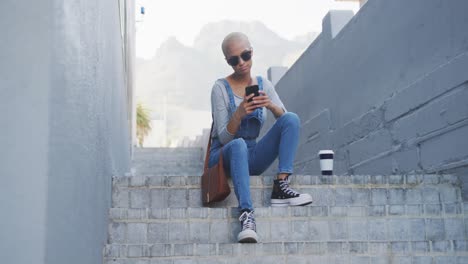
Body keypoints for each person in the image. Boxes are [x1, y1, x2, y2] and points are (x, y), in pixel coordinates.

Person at [208, 32, 313, 243]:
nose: (241, 63)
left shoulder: (263, 84)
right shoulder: (219, 88)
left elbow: (285, 121)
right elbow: (224, 137)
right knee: (237, 144)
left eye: (245, 55)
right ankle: (247, 215)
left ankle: (281, 187)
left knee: (291, 118)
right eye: (233, 60)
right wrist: (238, 113)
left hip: (251, 157)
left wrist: (271, 105)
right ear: (227, 61)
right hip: (223, 156)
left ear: (251, 52)